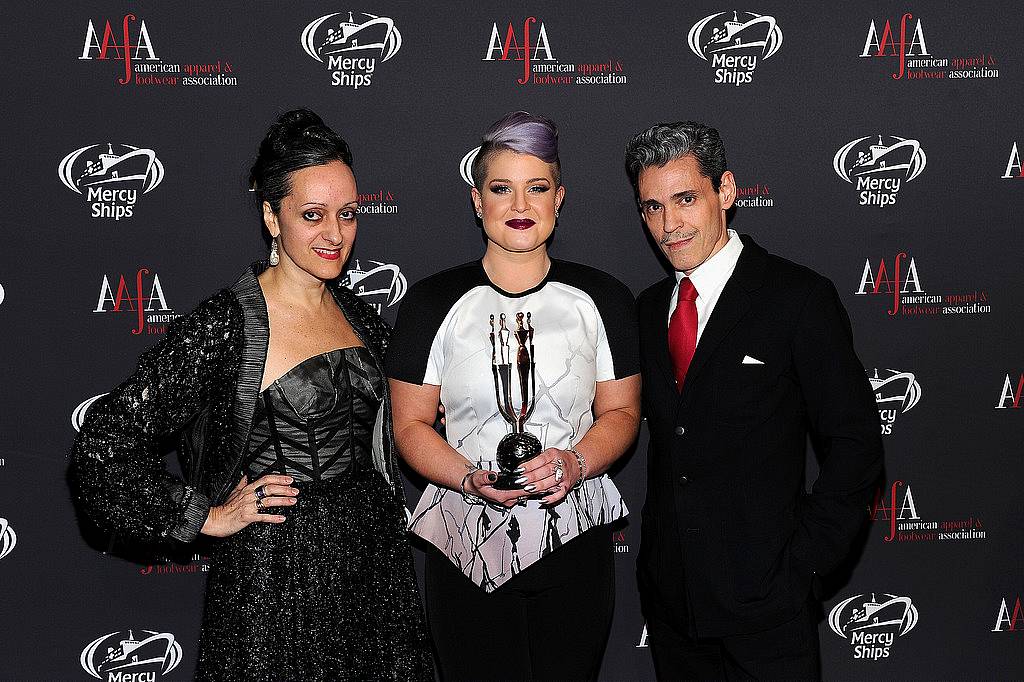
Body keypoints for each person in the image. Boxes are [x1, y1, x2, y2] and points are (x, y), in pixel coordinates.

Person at [70, 109, 433, 681]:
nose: (334, 235)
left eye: (347, 215)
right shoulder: (226, 326)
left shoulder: (360, 315)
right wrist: (204, 516)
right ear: (271, 216)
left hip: (374, 572)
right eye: (311, 216)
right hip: (276, 586)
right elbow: (102, 448)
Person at [387, 111, 641, 681]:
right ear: (478, 201)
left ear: (560, 199)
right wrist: (466, 477)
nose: (519, 205)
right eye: (502, 188)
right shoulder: (431, 304)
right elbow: (410, 427)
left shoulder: (603, 298)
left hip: (573, 539)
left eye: (537, 188)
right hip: (465, 540)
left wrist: (576, 462)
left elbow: (622, 413)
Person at [626, 121, 883, 681]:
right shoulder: (647, 310)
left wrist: (804, 563)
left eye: (685, 199)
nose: (669, 225)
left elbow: (856, 443)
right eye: (652, 207)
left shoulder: (797, 298)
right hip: (673, 610)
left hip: (769, 611)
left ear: (726, 190)